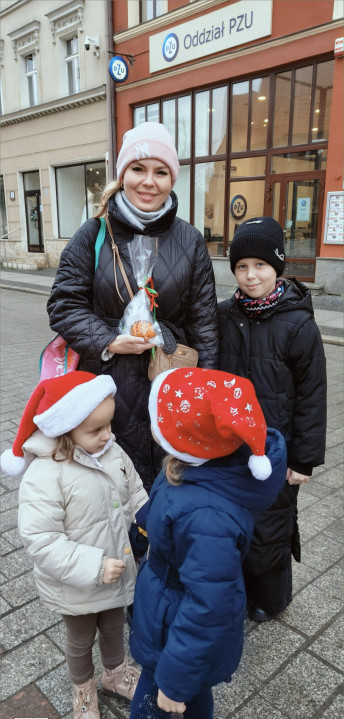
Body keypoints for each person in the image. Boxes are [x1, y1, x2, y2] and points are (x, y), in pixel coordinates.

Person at [128, 366, 287, 719]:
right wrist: (145, 524)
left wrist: (173, 681)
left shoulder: (206, 516)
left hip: (175, 624)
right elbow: (167, 502)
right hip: (177, 617)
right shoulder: (203, 464)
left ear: (187, 439)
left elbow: (208, 607)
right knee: (198, 689)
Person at [47, 122, 219, 492]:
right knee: (111, 490)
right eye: (138, 169)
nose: (148, 182)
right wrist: (110, 339)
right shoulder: (92, 234)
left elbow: (205, 322)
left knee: (168, 486)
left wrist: (200, 394)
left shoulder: (189, 239)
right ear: (122, 174)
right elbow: (63, 305)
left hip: (169, 382)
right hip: (105, 388)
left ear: (172, 179)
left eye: (161, 172)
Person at [0, 371, 148, 719]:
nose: (107, 435)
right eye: (95, 430)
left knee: (114, 625)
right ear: (64, 430)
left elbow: (135, 491)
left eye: (109, 425)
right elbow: (42, 539)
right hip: (76, 583)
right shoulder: (46, 475)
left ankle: (115, 671)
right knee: (81, 638)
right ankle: (83, 690)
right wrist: (93, 566)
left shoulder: (113, 452)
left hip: (116, 569)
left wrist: (149, 520)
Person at [218, 216, 327, 621]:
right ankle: (241, 590)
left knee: (273, 521)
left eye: (260, 266)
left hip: (277, 448)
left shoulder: (298, 324)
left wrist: (303, 459)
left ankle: (271, 597)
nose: (250, 276)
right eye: (242, 266)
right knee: (237, 519)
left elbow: (313, 396)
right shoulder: (223, 315)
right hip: (231, 445)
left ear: (277, 266)